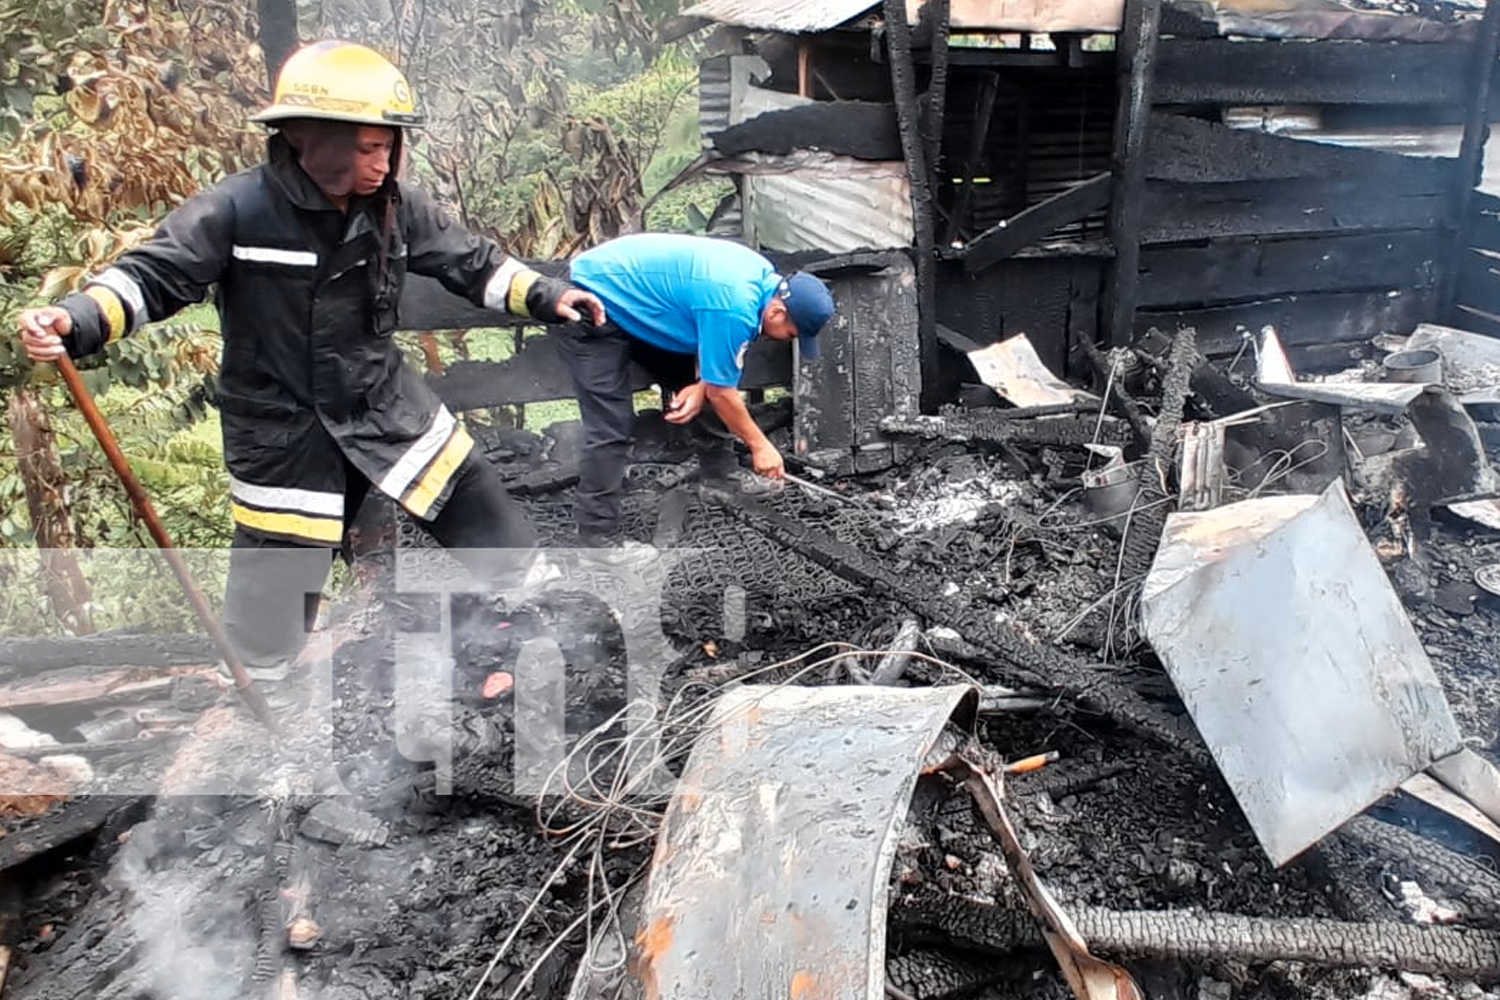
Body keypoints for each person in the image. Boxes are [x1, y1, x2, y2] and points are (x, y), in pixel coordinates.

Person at [17, 40, 605, 682]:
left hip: (382, 403)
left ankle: (561, 626)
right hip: (283, 428)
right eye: (366, 148)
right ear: (306, 138)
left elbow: (474, 263)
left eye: (388, 146)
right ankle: (262, 704)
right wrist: (74, 320)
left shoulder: (398, 209)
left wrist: (551, 296)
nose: (382, 163)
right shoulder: (235, 210)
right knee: (278, 578)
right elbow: (153, 277)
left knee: (473, 498)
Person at [550, 232, 835, 548]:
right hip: (587, 297)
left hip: (640, 300)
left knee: (710, 384)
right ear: (777, 313)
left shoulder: (761, 283)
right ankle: (596, 540)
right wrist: (760, 446)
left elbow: (716, 364)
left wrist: (704, 386)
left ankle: (720, 476)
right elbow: (723, 390)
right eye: (791, 333)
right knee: (611, 426)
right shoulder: (735, 305)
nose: (787, 339)